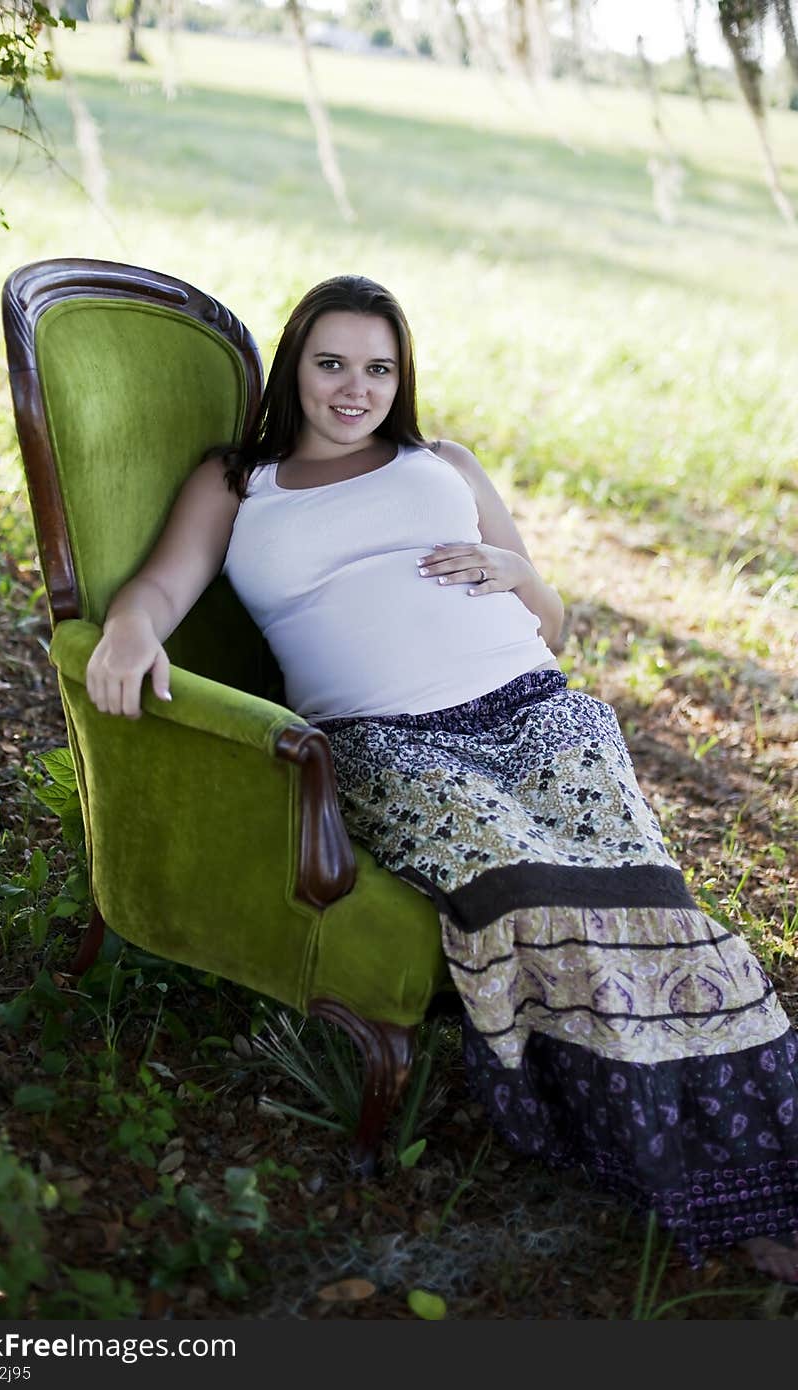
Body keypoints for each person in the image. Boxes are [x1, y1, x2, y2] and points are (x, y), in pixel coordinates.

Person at [86, 274, 798, 1282]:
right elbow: (161, 584)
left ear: (400, 377)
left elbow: (548, 624)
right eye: (331, 363)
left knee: (652, 901)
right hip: (390, 742)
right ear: (294, 365)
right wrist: (124, 629)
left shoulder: (442, 463)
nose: (353, 389)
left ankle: (767, 1176)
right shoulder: (239, 482)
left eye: (378, 368)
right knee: (533, 898)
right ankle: (676, 1170)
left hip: (536, 710)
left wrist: (522, 578)